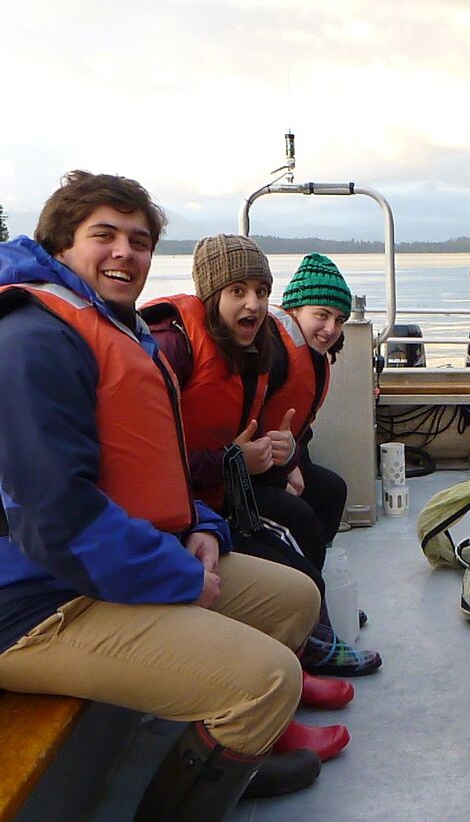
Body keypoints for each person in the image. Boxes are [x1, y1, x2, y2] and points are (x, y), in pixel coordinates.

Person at [0, 171, 323, 822]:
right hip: (33, 609)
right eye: (104, 237)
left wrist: (202, 528)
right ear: (61, 243)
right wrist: (176, 575)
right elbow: (53, 518)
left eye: (140, 241)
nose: (126, 254)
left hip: (102, 573)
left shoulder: (108, 324)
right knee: (264, 681)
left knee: (291, 599)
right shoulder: (26, 340)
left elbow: (148, 468)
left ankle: (237, 762)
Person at [142, 236, 381, 679]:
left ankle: (316, 611)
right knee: (297, 524)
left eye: (260, 292)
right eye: (238, 291)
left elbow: (282, 423)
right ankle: (312, 628)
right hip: (200, 495)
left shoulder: (252, 348)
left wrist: (289, 455)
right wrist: (248, 463)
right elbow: (146, 459)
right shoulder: (175, 349)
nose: (252, 303)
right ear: (211, 294)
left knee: (330, 491)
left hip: (228, 477)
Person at [257, 254, 356, 626]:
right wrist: (286, 472)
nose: (331, 328)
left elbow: (300, 429)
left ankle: (318, 597)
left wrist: (295, 461)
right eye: (322, 314)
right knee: (302, 520)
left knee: (331, 492)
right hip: (247, 471)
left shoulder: (313, 356)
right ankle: (309, 619)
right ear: (295, 308)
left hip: (280, 461)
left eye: (339, 319)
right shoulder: (273, 351)